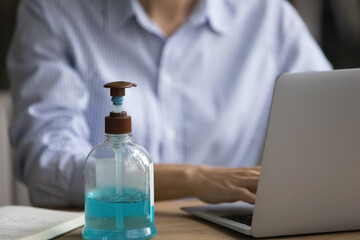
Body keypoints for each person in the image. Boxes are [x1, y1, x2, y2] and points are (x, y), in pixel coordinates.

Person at [7, 0, 331, 207]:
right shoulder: (51, 11)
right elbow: (47, 166)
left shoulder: (269, 17)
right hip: (105, 231)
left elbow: (336, 120)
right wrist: (194, 179)